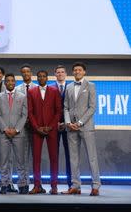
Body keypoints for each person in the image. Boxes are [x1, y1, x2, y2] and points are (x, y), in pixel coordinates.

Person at [62, 62, 100, 196]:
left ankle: (95, 185)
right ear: (73, 72)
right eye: (75, 70)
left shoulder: (91, 86)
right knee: (73, 158)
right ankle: (75, 185)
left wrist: (79, 122)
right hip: (71, 128)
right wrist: (67, 122)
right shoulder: (69, 87)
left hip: (86, 127)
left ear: (84, 72)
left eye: (80, 70)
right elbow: (66, 107)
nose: (77, 72)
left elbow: (92, 107)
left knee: (92, 157)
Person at [27, 70, 61, 195]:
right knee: (36, 159)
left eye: (44, 76)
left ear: (47, 78)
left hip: (51, 130)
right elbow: (30, 112)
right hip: (37, 130)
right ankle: (37, 185)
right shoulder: (31, 92)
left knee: (54, 158)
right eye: (39, 76)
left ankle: (54, 186)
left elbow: (58, 111)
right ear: (37, 78)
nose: (41, 78)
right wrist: (37, 127)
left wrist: (51, 126)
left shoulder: (54, 91)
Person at [0, 73, 29, 195]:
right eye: (8, 81)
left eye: (12, 81)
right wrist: (5, 129)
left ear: (15, 82)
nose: (10, 83)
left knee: (21, 161)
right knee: (4, 161)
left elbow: (24, 115)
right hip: (3, 133)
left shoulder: (22, 96)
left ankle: (23, 184)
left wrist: (16, 129)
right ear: (5, 83)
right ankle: (4, 184)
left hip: (18, 133)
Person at [15, 63, 37, 188]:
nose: (26, 74)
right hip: (21, 127)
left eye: (28, 71)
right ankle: (24, 183)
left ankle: (36, 184)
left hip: (35, 127)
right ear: (21, 74)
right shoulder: (17, 89)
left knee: (35, 156)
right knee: (22, 157)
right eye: (23, 72)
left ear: (31, 73)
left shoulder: (38, 88)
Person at [51, 65, 72, 189]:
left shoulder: (71, 87)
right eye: (58, 72)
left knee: (70, 156)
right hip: (54, 126)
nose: (60, 74)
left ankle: (71, 184)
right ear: (55, 74)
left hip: (69, 126)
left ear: (66, 74)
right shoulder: (50, 88)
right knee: (54, 156)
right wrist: (56, 123)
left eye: (62, 72)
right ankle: (54, 185)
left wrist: (66, 122)